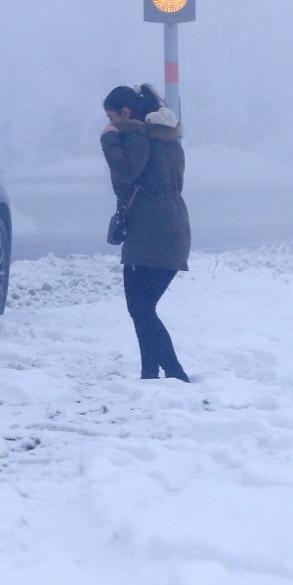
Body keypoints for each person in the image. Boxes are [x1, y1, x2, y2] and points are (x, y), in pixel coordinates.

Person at [100, 84, 192, 381]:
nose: (109, 124)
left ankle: (174, 372)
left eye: (111, 117)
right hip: (172, 227)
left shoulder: (137, 135)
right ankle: (150, 373)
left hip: (150, 231)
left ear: (126, 113)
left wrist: (110, 140)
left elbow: (127, 171)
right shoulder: (166, 138)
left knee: (140, 309)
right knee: (143, 308)